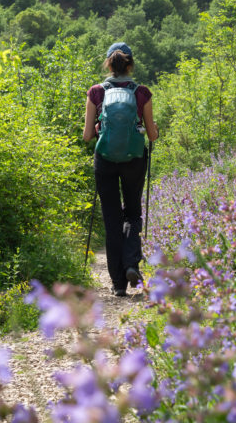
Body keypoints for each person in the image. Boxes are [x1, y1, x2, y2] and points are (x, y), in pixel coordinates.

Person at [83, 42, 159, 297]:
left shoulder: (96, 92)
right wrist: (154, 128)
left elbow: (86, 136)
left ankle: (117, 284)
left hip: (104, 159)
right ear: (130, 64)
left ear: (108, 64)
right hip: (134, 159)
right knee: (133, 212)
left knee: (111, 218)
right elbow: (152, 135)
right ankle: (131, 265)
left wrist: (98, 130)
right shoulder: (142, 93)